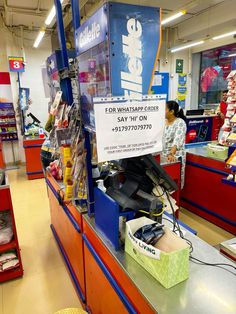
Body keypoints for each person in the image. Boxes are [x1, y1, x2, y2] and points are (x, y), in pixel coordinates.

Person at [162, 100, 187, 189]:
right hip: (163, 156)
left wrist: (171, 153)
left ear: (171, 112)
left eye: (164, 109)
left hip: (175, 157)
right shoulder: (163, 122)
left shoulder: (180, 123)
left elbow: (177, 140)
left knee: (173, 183)